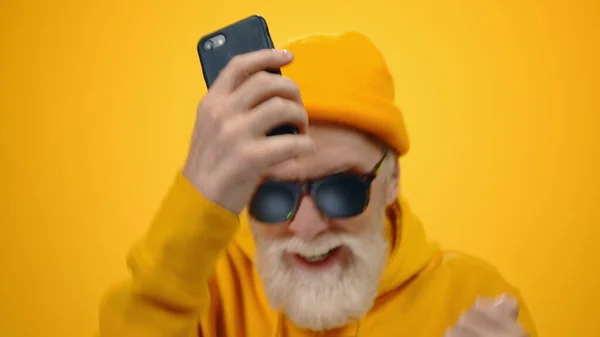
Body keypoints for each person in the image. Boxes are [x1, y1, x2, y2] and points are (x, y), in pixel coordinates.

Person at [97, 31, 537, 337]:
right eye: (271, 196)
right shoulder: (201, 288)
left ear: (392, 180)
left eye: (342, 189)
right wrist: (195, 199)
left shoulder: (473, 300)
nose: (306, 228)